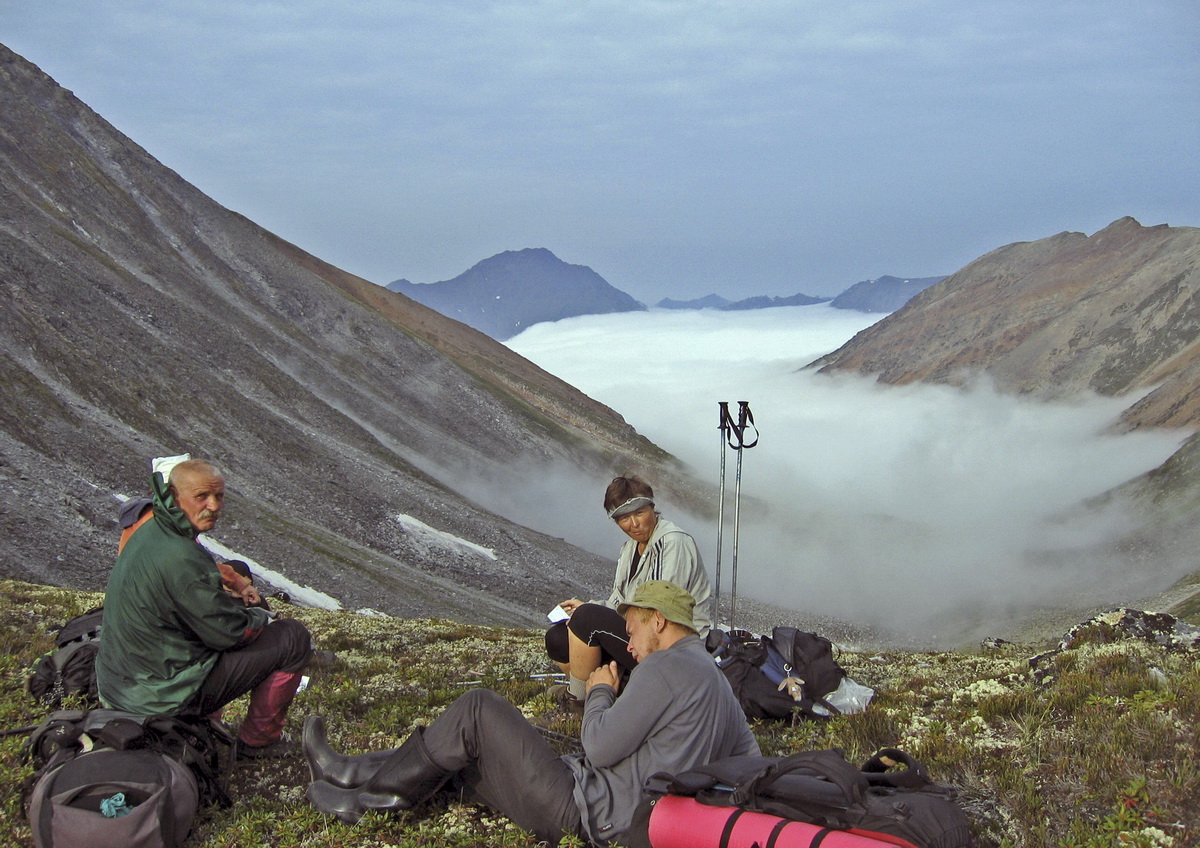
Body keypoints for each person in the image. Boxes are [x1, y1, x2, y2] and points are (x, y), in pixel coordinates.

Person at [303, 580, 758, 845]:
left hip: (586, 811)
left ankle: (364, 805)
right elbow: (749, 761)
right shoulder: (715, 681)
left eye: (633, 627)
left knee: (478, 708)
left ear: (658, 621)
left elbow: (598, 748)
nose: (630, 641)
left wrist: (600, 691)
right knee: (464, 758)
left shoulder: (663, 667)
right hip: (617, 815)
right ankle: (352, 771)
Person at [95, 454, 312, 758]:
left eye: (219, 496)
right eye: (202, 496)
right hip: (158, 697)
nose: (214, 506)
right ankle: (257, 744)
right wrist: (261, 617)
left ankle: (210, 721)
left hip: (121, 683)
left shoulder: (153, 530)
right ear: (173, 495)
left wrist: (232, 591)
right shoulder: (180, 556)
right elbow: (228, 634)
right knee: (293, 638)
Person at [545, 475, 713, 709]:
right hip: (640, 633)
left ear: (652, 509)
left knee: (586, 621)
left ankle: (579, 705)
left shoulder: (673, 543)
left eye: (639, 513)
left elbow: (660, 608)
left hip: (673, 648)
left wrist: (590, 615)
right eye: (624, 518)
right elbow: (620, 600)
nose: (634, 524)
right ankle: (601, 690)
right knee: (558, 638)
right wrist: (588, 606)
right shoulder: (630, 549)